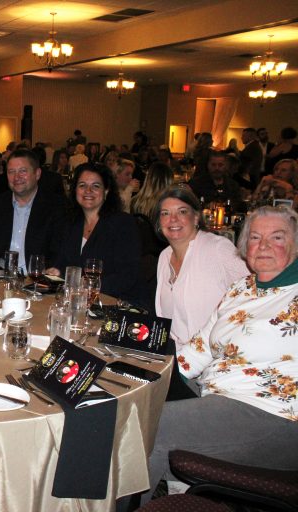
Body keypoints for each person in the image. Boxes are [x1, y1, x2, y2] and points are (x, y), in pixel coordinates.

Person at [144, 206, 298, 504]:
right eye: (255, 237)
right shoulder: (242, 288)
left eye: (277, 237)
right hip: (217, 395)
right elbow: (201, 346)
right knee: (139, 402)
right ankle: (181, 496)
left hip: (274, 415)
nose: (263, 246)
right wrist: (155, 376)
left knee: (151, 426)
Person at [154, 185, 249, 347]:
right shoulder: (164, 256)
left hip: (214, 353)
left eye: (182, 211)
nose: (173, 219)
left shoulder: (217, 248)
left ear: (196, 217)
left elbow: (252, 292)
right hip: (175, 353)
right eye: (165, 213)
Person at [48, 162, 143, 305]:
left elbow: (128, 275)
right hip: (79, 302)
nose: (88, 190)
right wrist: (56, 271)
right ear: (75, 191)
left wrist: (86, 288)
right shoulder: (70, 223)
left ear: (106, 191)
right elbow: (63, 262)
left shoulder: (123, 224)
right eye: (82, 185)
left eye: (96, 186)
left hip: (115, 303)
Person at [0, 148, 66, 272]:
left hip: (38, 278)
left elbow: (59, 252)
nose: (16, 177)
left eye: (23, 171)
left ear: (37, 174)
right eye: (11, 172)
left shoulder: (56, 207)